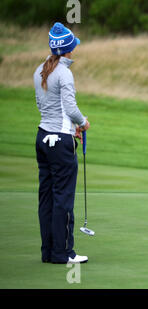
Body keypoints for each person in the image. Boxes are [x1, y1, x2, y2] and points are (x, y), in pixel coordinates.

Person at [34, 22, 90, 263]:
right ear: (69, 49)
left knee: (46, 197)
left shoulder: (40, 70)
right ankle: (64, 252)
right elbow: (70, 108)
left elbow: (44, 106)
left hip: (42, 138)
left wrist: (71, 125)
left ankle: (48, 252)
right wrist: (83, 123)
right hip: (61, 142)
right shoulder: (64, 72)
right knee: (63, 198)